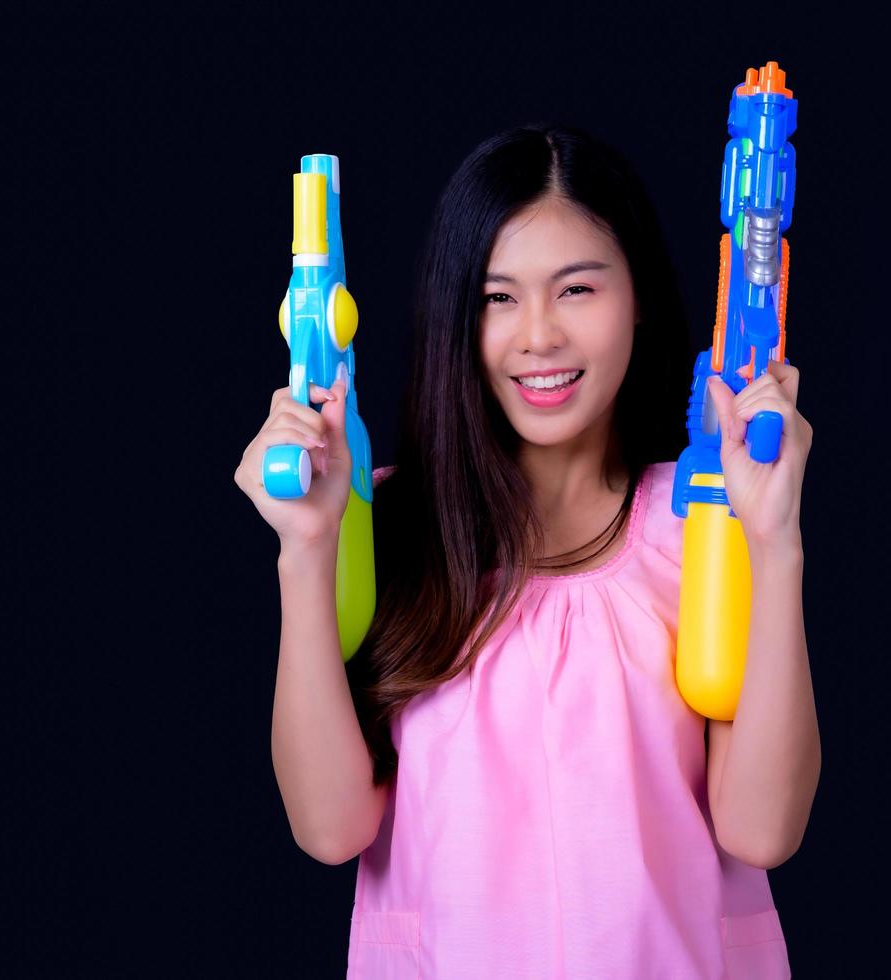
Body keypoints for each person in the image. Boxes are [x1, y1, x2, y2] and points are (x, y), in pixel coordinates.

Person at [234, 123, 818, 978]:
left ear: (639, 294)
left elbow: (760, 830)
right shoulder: (387, 524)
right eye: (497, 298)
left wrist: (776, 543)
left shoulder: (705, 524)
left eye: (576, 289)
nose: (537, 336)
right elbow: (329, 829)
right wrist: (304, 549)